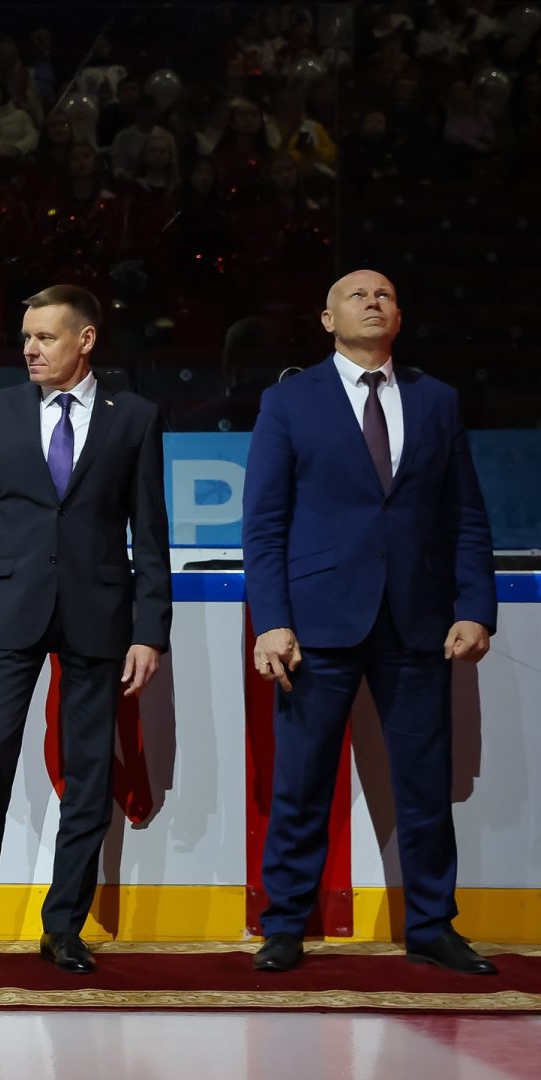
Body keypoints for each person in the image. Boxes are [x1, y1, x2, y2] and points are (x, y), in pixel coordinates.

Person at [244, 269, 497, 976]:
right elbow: (264, 524)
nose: (372, 302)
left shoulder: (437, 401)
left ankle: (432, 926)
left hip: (418, 620)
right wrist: (272, 621)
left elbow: (465, 517)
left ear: (400, 315)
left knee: (424, 784)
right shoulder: (290, 401)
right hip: (316, 623)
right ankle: (286, 925)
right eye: (356, 295)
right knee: (301, 782)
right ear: (326, 320)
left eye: (384, 294)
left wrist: (475, 606)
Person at [0, 284, 170, 978]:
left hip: (100, 616)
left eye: (45, 337)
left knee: (90, 773)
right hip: (7, 613)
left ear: (86, 340)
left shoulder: (136, 419)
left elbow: (151, 539)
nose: (30, 348)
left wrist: (149, 630)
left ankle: (64, 928)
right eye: (27, 336)